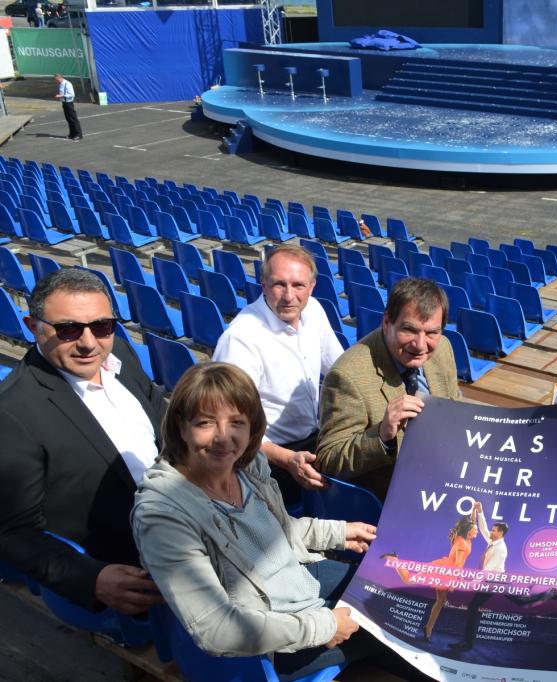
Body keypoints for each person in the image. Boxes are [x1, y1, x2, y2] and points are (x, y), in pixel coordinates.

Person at [132, 362, 380, 679]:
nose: (224, 438)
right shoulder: (162, 516)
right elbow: (215, 628)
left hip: (298, 579)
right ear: (181, 426)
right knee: (399, 633)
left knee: (391, 592)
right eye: (206, 422)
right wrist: (324, 626)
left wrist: (336, 532)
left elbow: (278, 530)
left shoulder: (248, 464)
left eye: (237, 422)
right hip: (270, 639)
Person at [0, 269, 165, 615]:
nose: (89, 343)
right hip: (136, 568)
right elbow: (13, 532)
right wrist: (93, 579)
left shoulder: (119, 351)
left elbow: (160, 416)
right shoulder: (13, 412)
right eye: (69, 329)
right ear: (33, 326)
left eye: (102, 326)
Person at [213, 244, 344, 507]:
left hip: (314, 438)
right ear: (262, 284)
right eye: (278, 285)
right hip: (268, 457)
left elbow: (340, 370)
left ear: (312, 286)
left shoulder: (314, 310)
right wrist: (286, 459)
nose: (289, 296)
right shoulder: (241, 340)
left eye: (298, 285)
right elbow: (229, 427)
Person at [317, 277, 460, 500]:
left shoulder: (443, 349)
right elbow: (328, 460)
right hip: (393, 497)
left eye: (432, 332)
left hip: (444, 476)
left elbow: (455, 402)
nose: (420, 345)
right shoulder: (347, 376)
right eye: (409, 330)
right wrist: (382, 435)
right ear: (387, 323)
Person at [386, 516, 477, 642]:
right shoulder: (462, 543)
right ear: (469, 531)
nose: (476, 531)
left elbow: (472, 522)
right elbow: (458, 566)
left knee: (440, 601)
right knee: (408, 580)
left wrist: (475, 511)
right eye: (475, 529)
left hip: (447, 571)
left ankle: (428, 629)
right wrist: (457, 580)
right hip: (444, 571)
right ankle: (393, 559)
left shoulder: (466, 538)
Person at [449, 501, 509, 652]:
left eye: (494, 530)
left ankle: (467, 644)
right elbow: (482, 528)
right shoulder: (493, 541)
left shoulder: (500, 549)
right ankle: (467, 643)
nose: (491, 531)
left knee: (473, 606)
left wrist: (471, 584)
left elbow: (487, 571)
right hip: (492, 579)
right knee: (521, 601)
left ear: (500, 532)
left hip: (496, 581)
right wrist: (480, 511)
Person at [54, 74, 82, 140]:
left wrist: (61, 96)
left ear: (60, 78)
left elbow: (72, 94)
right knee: (68, 119)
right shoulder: (61, 84)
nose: (56, 81)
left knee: (73, 119)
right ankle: (72, 134)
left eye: (56, 80)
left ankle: (79, 134)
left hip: (69, 103)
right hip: (64, 103)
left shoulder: (68, 84)